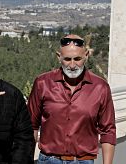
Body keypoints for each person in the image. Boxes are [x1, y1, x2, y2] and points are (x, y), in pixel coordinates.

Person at [28, 34, 116, 164]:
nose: (73, 65)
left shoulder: (100, 88)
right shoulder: (42, 83)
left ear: (86, 55)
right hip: (48, 160)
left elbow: (108, 130)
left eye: (78, 59)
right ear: (59, 57)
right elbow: (31, 125)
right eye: (67, 59)